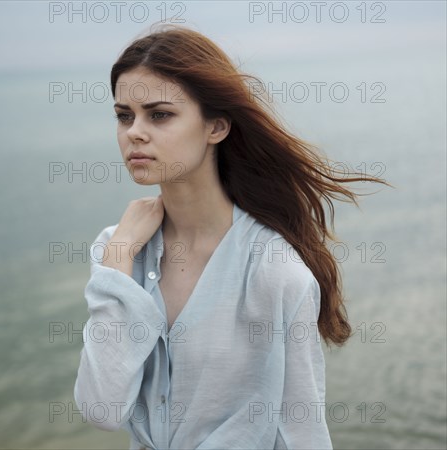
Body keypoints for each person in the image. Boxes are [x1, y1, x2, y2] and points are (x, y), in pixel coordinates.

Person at [74, 24, 390, 450]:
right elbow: (101, 409)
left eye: (160, 114)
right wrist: (118, 256)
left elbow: (303, 432)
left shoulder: (276, 272)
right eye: (124, 115)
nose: (134, 132)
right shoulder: (118, 251)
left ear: (216, 127)